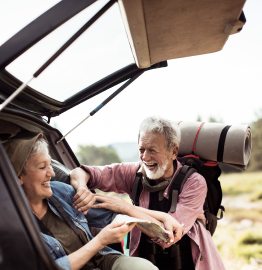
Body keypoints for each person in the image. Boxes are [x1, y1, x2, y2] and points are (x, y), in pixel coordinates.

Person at [70, 116, 226, 270]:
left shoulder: (194, 182)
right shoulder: (134, 172)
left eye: (152, 150)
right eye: (141, 149)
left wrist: (126, 208)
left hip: (189, 263)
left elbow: (168, 235)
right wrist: (82, 188)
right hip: (146, 261)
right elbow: (80, 172)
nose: (145, 157)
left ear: (173, 151)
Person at [3, 133, 161, 270]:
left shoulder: (59, 191)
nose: (51, 173)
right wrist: (100, 240)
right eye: (42, 167)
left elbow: (111, 212)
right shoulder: (10, 227)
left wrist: (162, 218)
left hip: (102, 260)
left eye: (50, 164)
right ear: (18, 177)